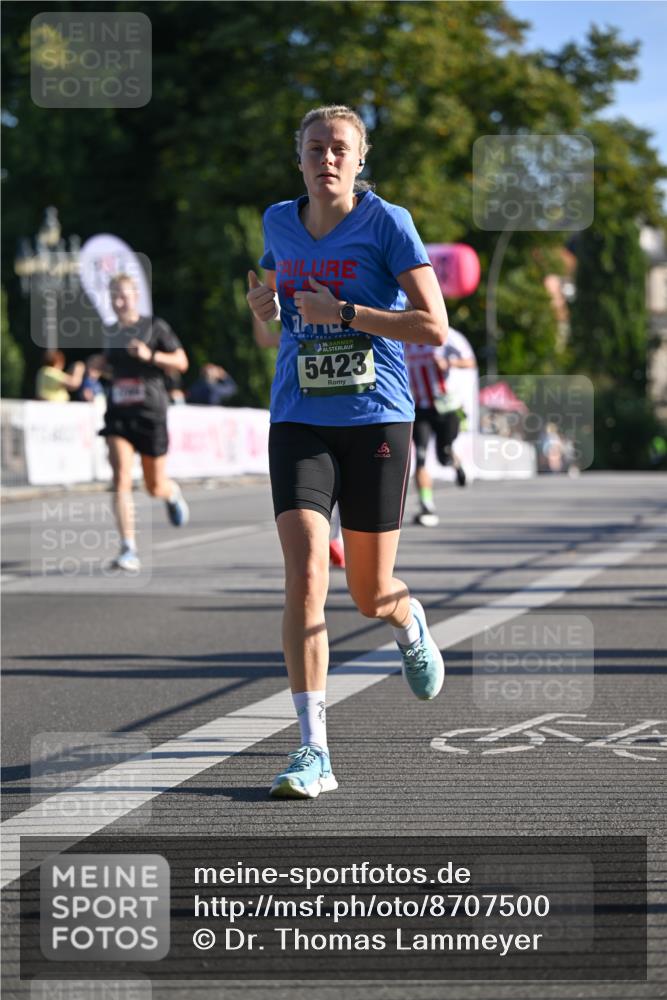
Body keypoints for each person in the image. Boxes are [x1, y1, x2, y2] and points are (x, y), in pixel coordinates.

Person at [246, 104, 448, 799]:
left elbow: (433, 325)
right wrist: (263, 312)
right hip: (298, 418)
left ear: (360, 160)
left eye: (339, 148)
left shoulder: (386, 223)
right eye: (314, 148)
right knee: (304, 576)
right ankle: (313, 752)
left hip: (375, 422)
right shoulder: (277, 221)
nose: (326, 158)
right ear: (297, 157)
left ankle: (407, 617)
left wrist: (350, 315)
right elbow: (269, 324)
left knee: (367, 594)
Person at [100, 273, 190, 572]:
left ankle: (171, 492)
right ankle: (128, 548)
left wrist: (150, 355)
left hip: (150, 414)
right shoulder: (110, 332)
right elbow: (110, 367)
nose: (118, 301)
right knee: (121, 477)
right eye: (114, 296)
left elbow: (181, 361)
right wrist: (96, 366)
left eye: (123, 295)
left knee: (154, 486)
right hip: (118, 416)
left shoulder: (155, 327)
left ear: (135, 296)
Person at [252, 313, 345, 569]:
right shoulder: (295, 314)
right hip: (305, 416)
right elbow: (266, 339)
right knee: (323, 490)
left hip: (358, 414)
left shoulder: (356, 294)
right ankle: (333, 539)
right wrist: (256, 309)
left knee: (371, 590)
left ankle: (338, 538)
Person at [404, 326, 477, 527]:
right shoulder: (403, 333)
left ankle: (455, 462)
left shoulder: (445, 333)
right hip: (420, 407)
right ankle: (426, 505)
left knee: (443, 456)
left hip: (445, 406)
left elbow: (470, 361)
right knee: (419, 457)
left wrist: (449, 362)